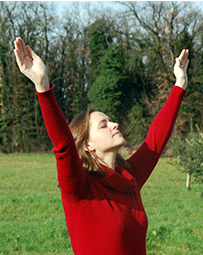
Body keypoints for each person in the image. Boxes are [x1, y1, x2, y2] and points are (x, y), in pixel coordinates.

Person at [14, 37, 189, 255]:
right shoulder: (79, 188)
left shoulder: (129, 178)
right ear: (88, 145)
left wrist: (179, 85)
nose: (115, 124)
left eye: (111, 121)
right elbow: (64, 145)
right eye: (104, 125)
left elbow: (156, 139)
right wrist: (42, 86)